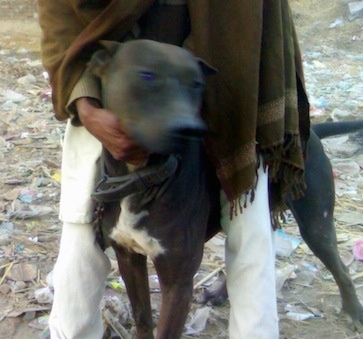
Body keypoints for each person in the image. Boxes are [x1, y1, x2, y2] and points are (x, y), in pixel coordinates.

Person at [38, 0, 310, 338]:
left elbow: (237, 31)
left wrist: (177, 85)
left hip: (217, 80)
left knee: (248, 220)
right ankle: (73, 331)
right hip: (110, 85)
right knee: (80, 220)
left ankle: (255, 332)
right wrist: (88, 107)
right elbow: (61, 30)